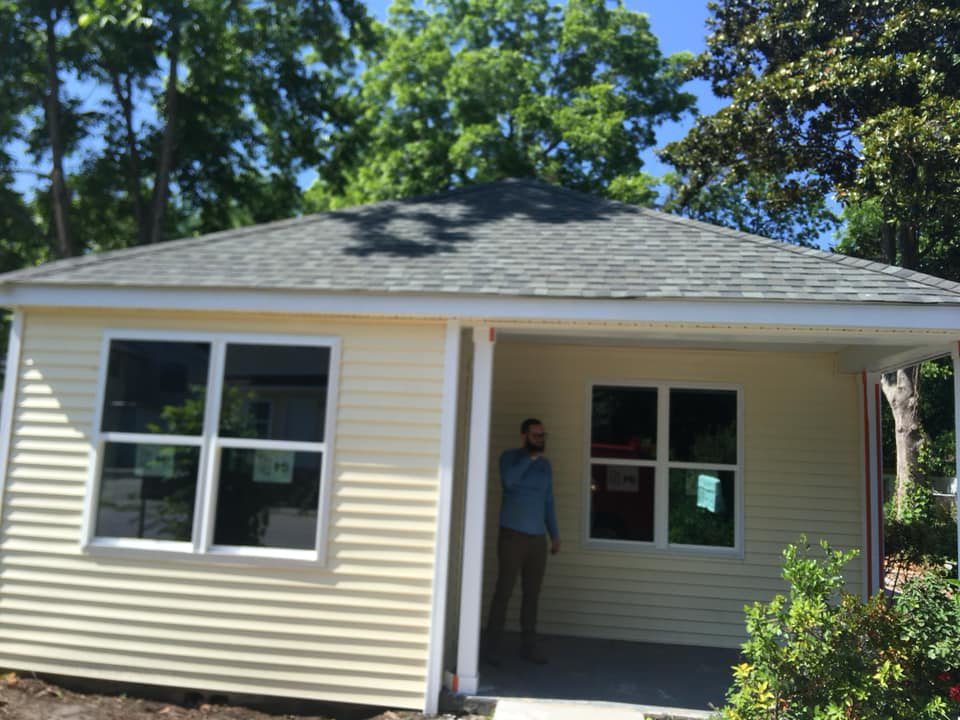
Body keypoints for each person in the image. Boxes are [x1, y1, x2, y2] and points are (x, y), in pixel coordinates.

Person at [484, 418, 560, 665]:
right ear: (524, 436)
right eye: (535, 435)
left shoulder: (545, 466)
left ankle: (529, 647)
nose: (540, 439)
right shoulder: (510, 458)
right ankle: (491, 649)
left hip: (537, 538)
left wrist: (554, 533)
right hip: (512, 536)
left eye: (542, 435)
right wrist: (529, 458)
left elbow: (548, 501)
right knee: (504, 592)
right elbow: (509, 481)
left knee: (532, 594)